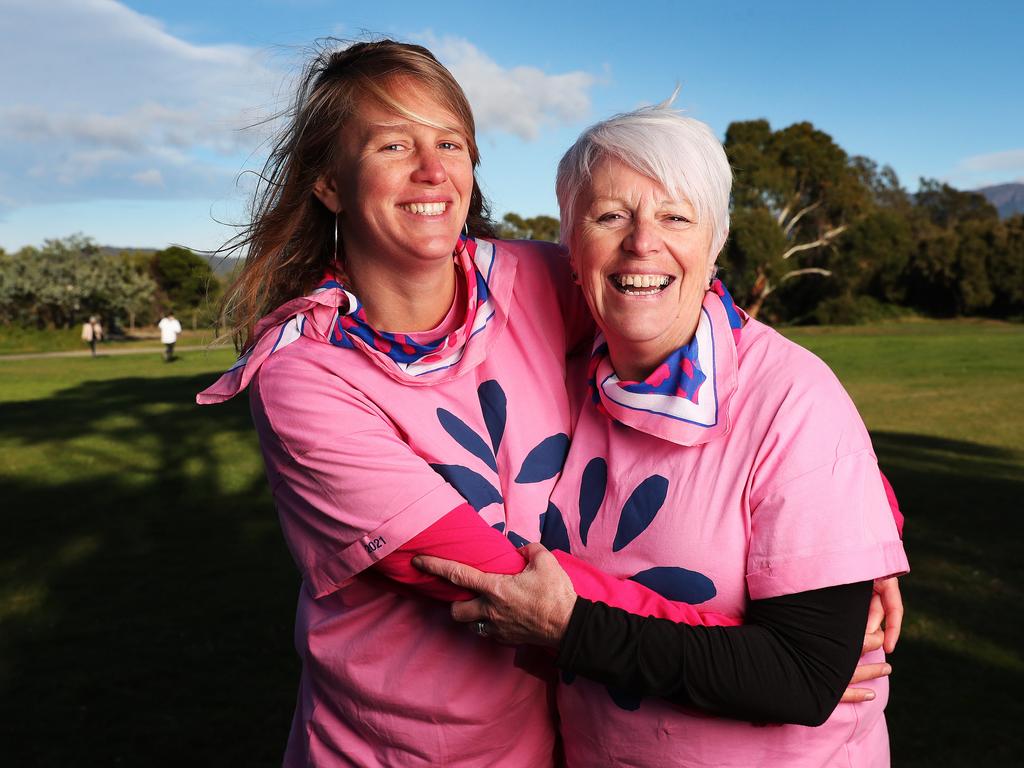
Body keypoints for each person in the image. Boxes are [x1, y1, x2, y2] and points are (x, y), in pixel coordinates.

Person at [198, 40, 902, 766]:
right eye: (394, 144)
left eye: (450, 142)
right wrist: (768, 659)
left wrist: (842, 533)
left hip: (545, 745)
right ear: (329, 184)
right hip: (395, 750)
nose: (433, 169)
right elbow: (497, 580)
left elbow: (701, 324)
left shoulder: (529, 280)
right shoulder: (306, 376)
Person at [415, 104, 909, 766]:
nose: (642, 242)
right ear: (570, 242)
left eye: (676, 217)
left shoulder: (792, 396)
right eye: (610, 215)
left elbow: (803, 676)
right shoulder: (564, 374)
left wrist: (571, 629)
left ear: (717, 241)